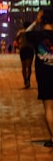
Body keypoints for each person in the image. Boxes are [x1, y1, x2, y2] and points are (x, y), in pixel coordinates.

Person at [23, 8, 53, 147]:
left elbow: (26, 33)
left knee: (48, 108)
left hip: (45, 76)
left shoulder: (38, 36)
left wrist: (36, 21)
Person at [15, 20, 35, 89]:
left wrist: (19, 44)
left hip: (23, 49)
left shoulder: (20, 32)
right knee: (29, 67)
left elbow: (16, 39)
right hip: (30, 49)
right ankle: (28, 80)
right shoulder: (32, 32)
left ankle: (25, 80)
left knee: (23, 67)